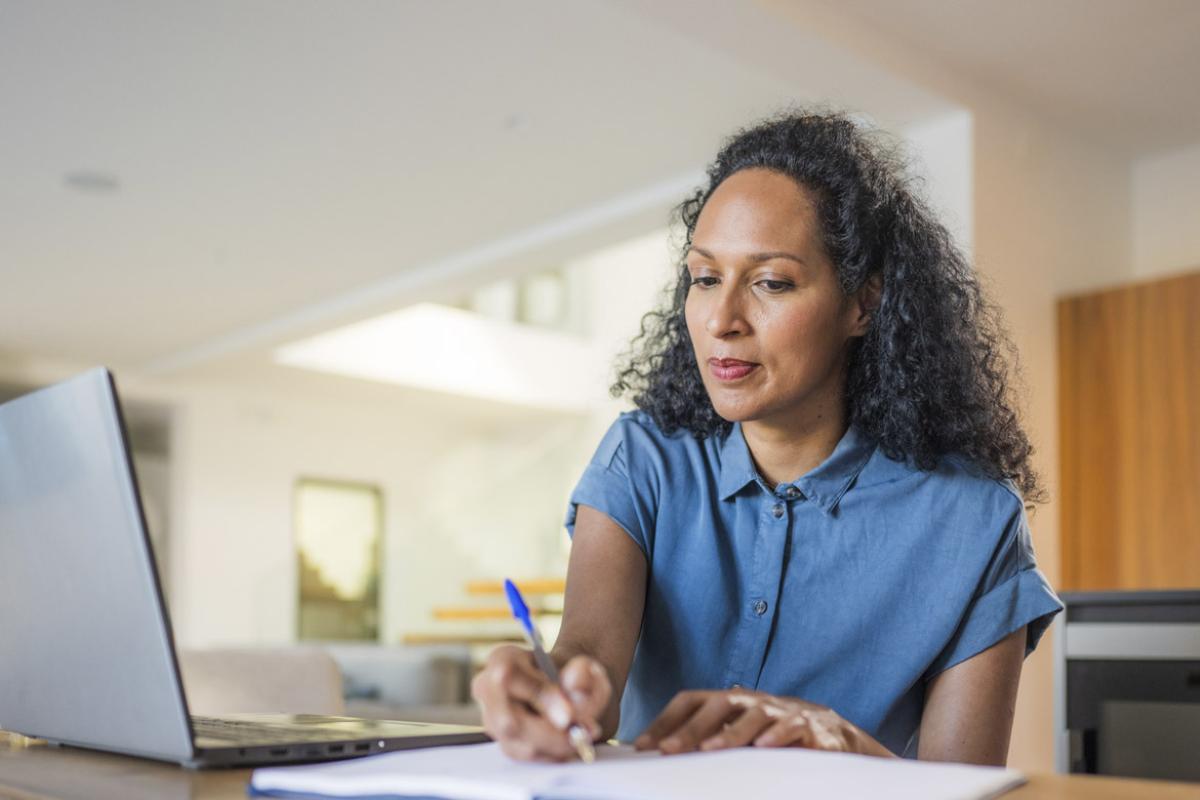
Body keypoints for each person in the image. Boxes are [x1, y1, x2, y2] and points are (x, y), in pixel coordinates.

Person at [471, 109, 1063, 766]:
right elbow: (589, 662)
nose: (722, 320)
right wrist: (550, 693)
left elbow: (964, 785)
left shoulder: (973, 517)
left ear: (863, 304)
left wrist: (837, 741)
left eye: (771, 282)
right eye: (704, 278)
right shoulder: (644, 458)